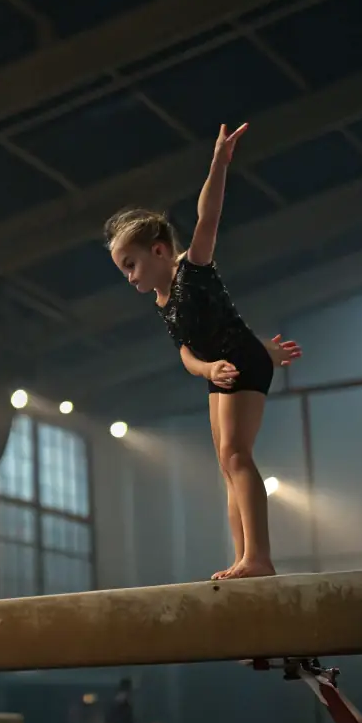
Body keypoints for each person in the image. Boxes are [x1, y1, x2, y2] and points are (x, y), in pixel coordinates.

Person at [104, 123, 302, 580]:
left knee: (237, 456)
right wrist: (206, 368)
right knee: (226, 464)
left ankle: (260, 558)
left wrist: (218, 163)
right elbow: (186, 354)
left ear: (158, 250)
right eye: (122, 271)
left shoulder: (193, 270)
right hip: (223, 366)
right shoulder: (161, 302)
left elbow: (207, 216)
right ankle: (243, 557)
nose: (129, 277)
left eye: (131, 265)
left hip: (241, 358)